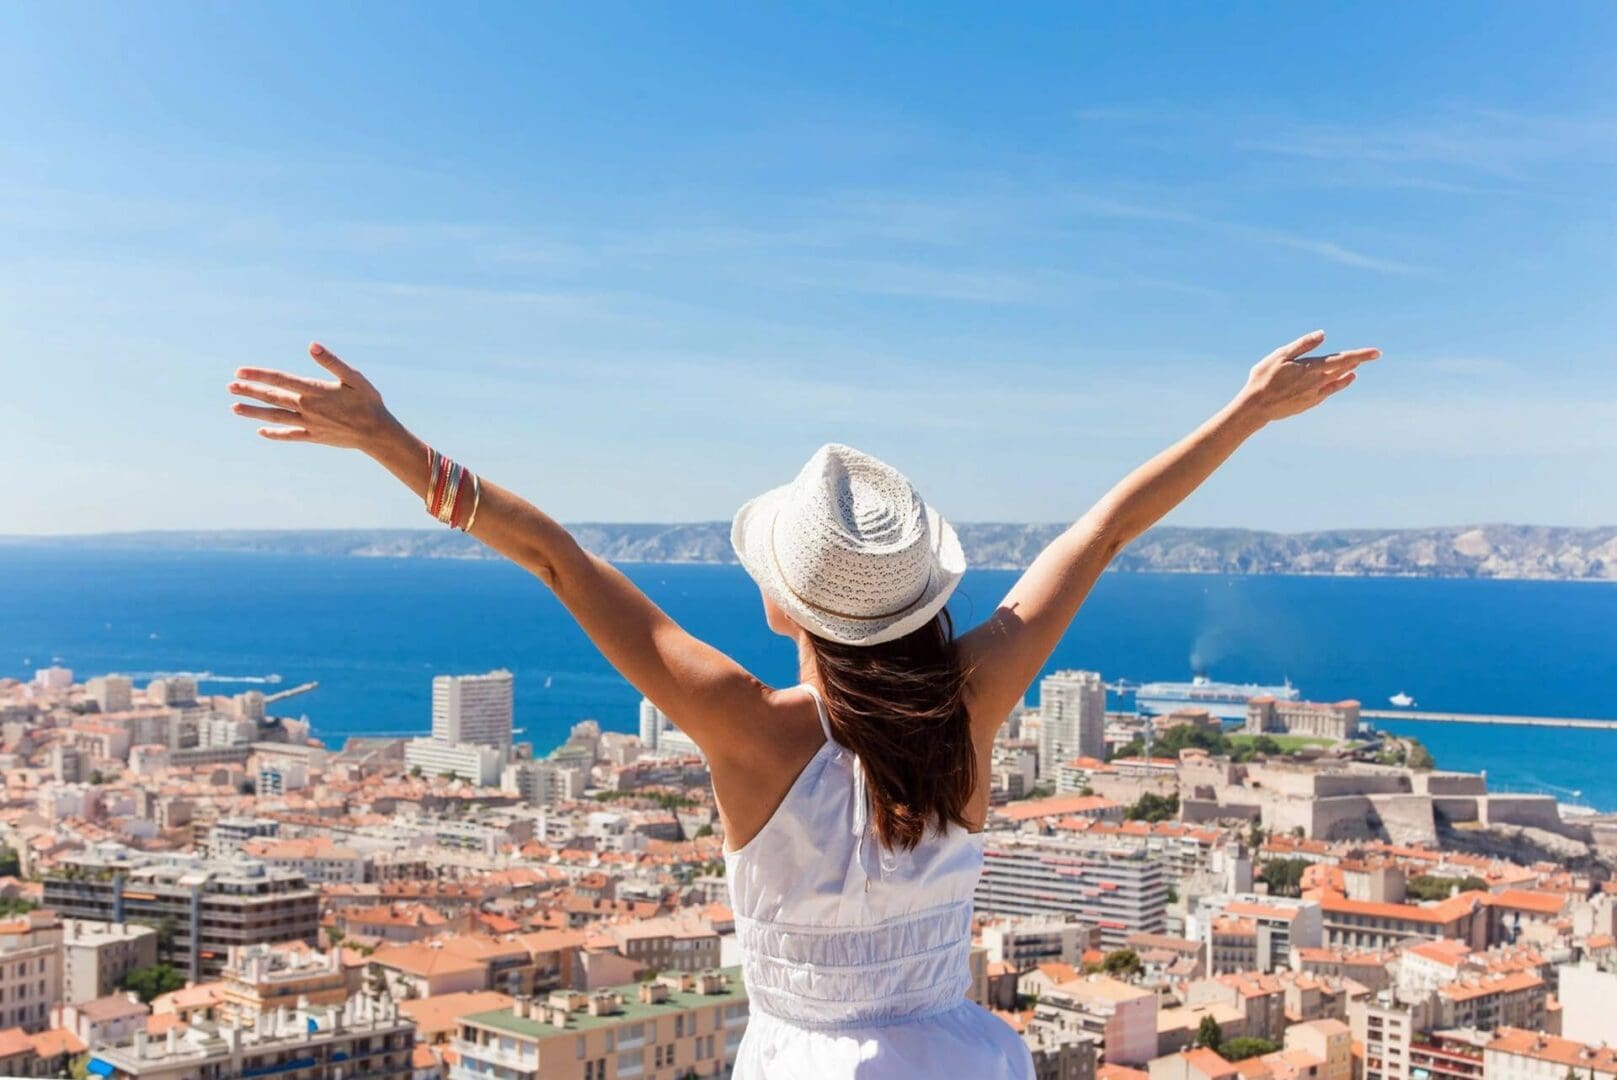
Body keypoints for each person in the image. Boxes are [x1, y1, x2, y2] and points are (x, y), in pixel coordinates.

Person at [228, 330, 1377, 1077]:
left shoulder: (752, 728)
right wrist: (1247, 411)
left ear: (788, 606)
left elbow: (558, 561)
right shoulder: (973, 703)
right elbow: (1107, 527)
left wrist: (391, 442)